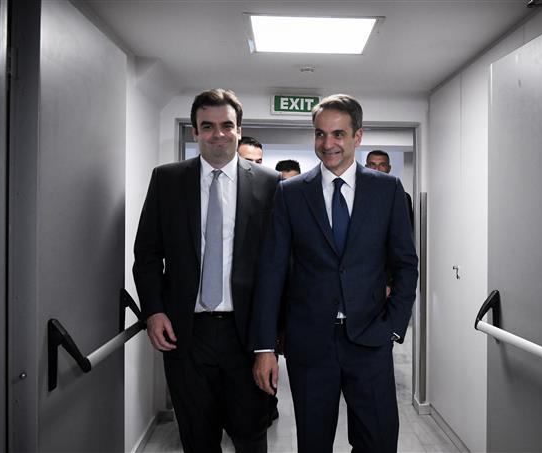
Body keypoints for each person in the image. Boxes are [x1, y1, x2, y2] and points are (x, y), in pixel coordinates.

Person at [250, 94, 418, 453]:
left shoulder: (387, 190)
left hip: (370, 341)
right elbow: (272, 271)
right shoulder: (291, 193)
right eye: (320, 134)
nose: (328, 144)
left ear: (358, 136)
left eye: (338, 134)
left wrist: (393, 326)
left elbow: (406, 263)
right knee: (313, 443)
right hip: (310, 344)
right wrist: (265, 347)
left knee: (379, 442)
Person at [133, 89, 279, 453]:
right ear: (195, 131)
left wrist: (271, 341)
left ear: (239, 129)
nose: (218, 134)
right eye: (208, 126)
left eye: (227, 125)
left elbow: (280, 267)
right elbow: (147, 254)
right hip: (186, 336)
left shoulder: (270, 184)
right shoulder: (167, 180)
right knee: (197, 439)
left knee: (251, 436)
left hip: (246, 336)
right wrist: (153, 311)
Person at [365, 149, 414, 228]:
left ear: (389, 168)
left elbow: (407, 229)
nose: (377, 169)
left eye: (382, 165)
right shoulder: (355, 195)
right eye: (372, 164)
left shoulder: (403, 197)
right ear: (366, 167)